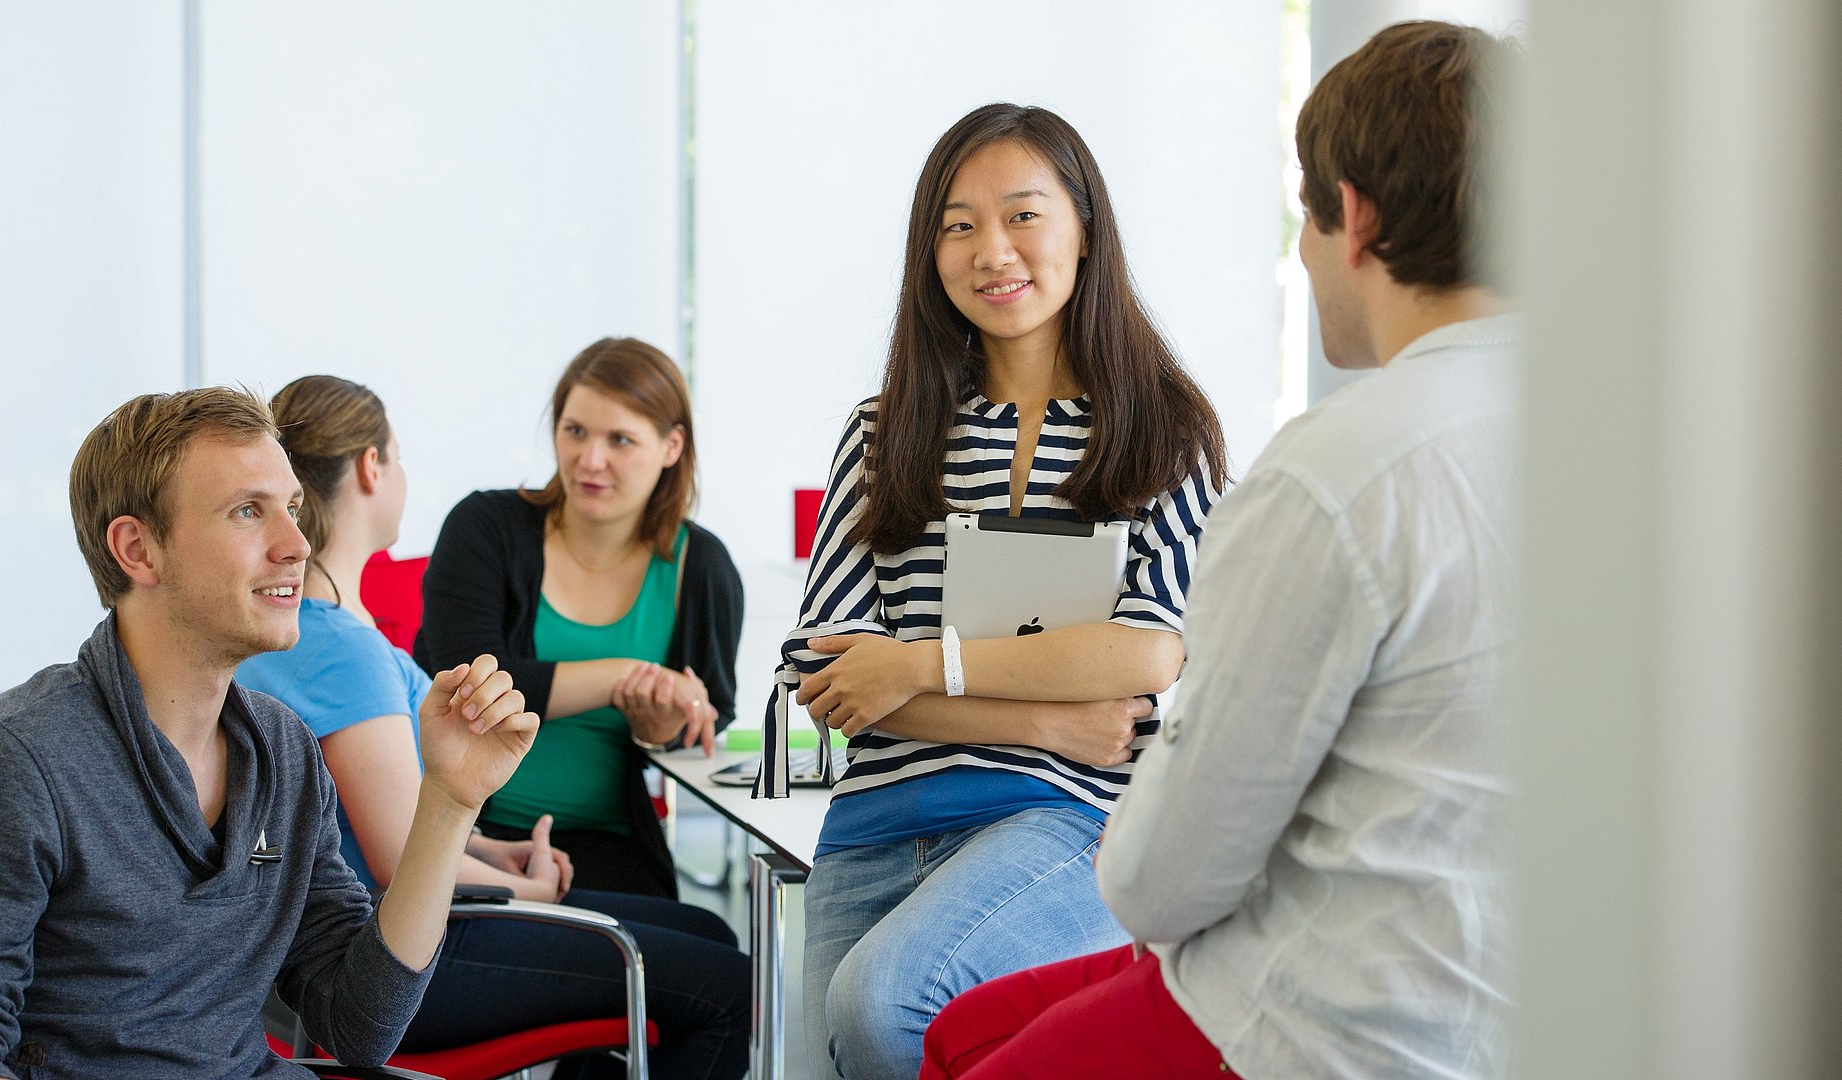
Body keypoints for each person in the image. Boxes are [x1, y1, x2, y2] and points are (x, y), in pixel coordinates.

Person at [919, 21, 1521, 1080]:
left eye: (1305, 215)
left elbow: (1163, 882)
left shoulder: (1330, 473)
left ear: (1355, 219)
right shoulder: (1636, 452)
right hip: (1521, 1004)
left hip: (1329, 1018)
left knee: (948, 1038)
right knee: (961, 1022)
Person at [779, 103, 1232, 1079]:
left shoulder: (1163, 429)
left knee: (881, 1002)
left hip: (1064, 825)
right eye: (959, 225)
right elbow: (827, 674)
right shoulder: (882, 431)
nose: (992, 250)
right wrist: (1046, 721)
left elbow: (1149, 651)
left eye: (1023, 214)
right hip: (870, 832)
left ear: (1084, 230)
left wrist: (913, 666)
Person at [0, 387, 537, 1079]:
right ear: (138, 550)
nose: (298, 545)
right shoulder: (14, 764)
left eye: (293, 509)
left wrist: (449, 801)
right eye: (248, 511)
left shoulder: (283, 752)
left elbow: (359, 1025)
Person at [237, 374, 750, 1079]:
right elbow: (397, 857)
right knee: (727, 988)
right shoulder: (343, 652)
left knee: (708, 932)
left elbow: (377, 816)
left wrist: (493, 851)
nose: (591, 457)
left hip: (394, 928)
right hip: (409, 953)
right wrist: (532, 891)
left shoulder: (310, 632)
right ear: (372, 467)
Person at [414, 337, 743, 900]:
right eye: (575, 431)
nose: (590, 460)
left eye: (620, 439)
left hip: (612, 840)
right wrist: (621, 678)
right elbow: (468, 681)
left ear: (672, 446)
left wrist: (656, 731)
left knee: (712, 944)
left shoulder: (702, 566)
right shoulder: (483, 525)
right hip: (473, 837)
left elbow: (706, 715)